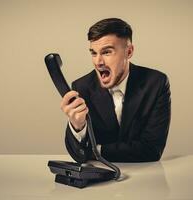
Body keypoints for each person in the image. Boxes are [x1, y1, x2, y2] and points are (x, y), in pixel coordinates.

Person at [60, 18, 171, 163]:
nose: (98, 62)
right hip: (99, 181)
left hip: (147, 178)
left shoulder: (156, 83)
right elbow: (79, 155)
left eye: (106, 52)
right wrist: (77, 126)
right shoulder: (81, 88)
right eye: (93, 53)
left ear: (129, 52)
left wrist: (95, 150)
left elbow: (151, 150)